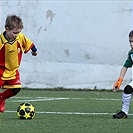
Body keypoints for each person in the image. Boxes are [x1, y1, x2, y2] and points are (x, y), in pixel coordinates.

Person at [0, 15, 37, 112]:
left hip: (13, 71)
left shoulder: (20, 37)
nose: (16, 35)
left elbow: (29, 43)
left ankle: (1, 98)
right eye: (14, 33)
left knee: (16, 88)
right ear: (7, 29)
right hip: (1, 70)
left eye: (18, 32)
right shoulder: (0, 41)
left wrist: (34, 50)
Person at [112, 30, 133, 119]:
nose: (131, 44)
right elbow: (125, 66)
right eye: (130, 41)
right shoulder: (131, 53)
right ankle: (124, 112)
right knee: (127, 89)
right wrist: (119, 80)